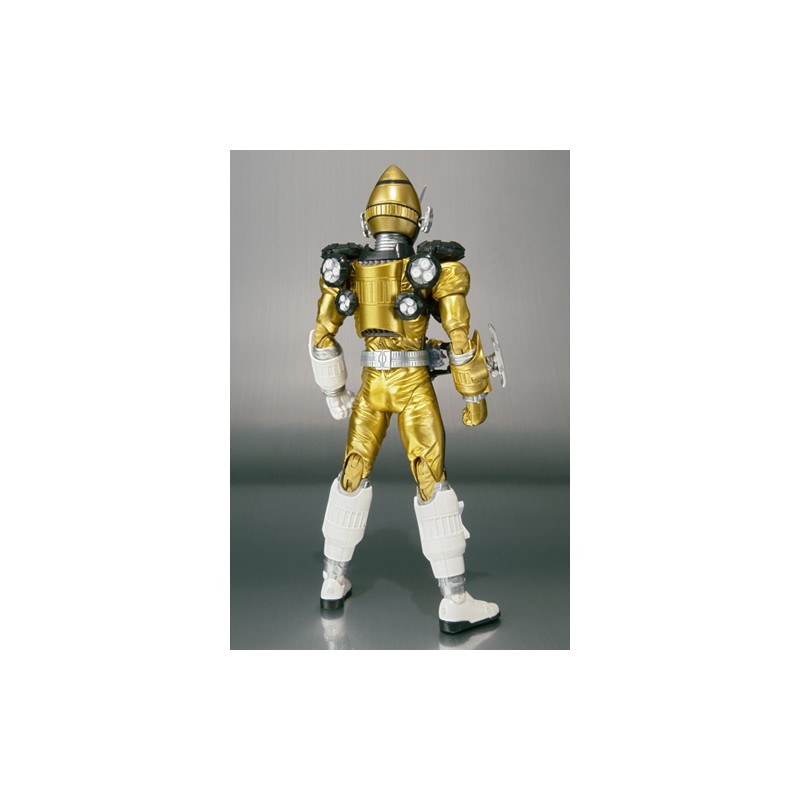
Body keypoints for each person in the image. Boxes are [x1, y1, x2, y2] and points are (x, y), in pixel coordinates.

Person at [308, 165, 500, 634]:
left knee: (353, 471)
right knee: (430, 478)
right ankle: (455, 600)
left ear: (366, 220)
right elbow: (458, 335)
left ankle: (332, 579)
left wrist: (334, 391)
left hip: (372, 385)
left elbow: (322, 335)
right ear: (421, 219)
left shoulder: (345, 268)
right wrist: (474, 396)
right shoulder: (437, 268)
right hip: (412, 385)